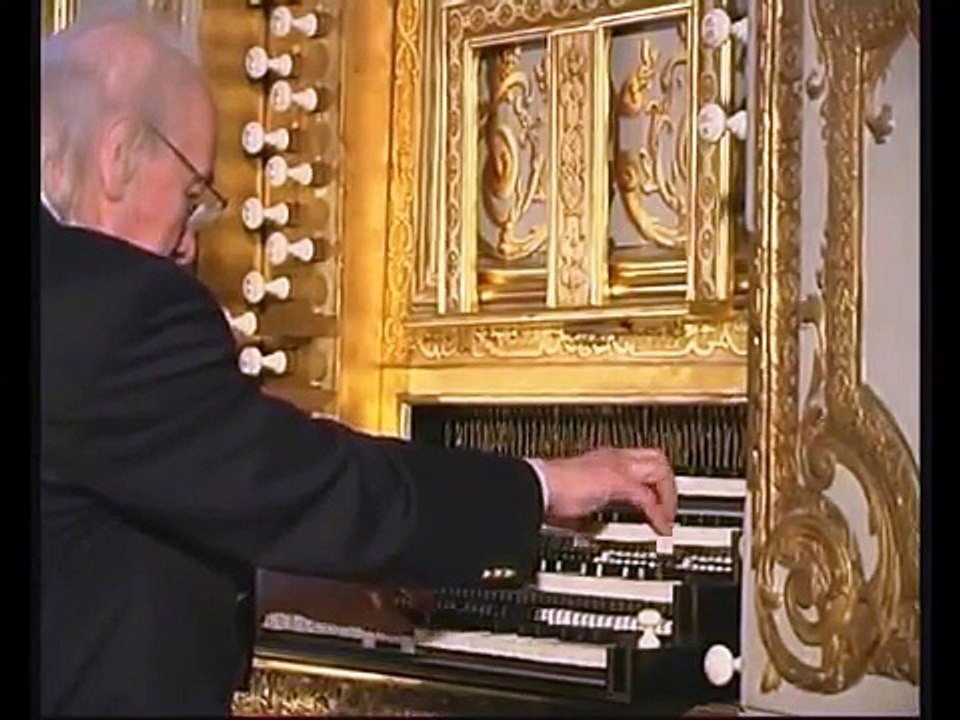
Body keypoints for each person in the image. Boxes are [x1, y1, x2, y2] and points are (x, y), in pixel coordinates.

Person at [39, 15, 677, 717]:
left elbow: (85, 542)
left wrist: (281, 584)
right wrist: (544, 485)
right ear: (119, 153)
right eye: (193, 198)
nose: (191, 246)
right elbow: (308, 485)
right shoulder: (112, 304)